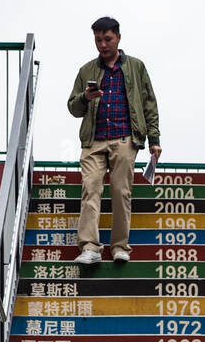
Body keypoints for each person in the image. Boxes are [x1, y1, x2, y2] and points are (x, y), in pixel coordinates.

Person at [67, 16, 161, 265]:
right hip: (93, 141)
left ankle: (120, 246)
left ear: (118, 38)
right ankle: (90, 247)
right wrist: (85, 98)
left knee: (121, 192)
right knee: (91, 190)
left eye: (107, 39)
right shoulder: (86, 70)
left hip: (124, 139)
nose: (102, 44)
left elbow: (149, 103)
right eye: (98, 40)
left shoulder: (136, 67)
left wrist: (154, 139)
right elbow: (73, 107)